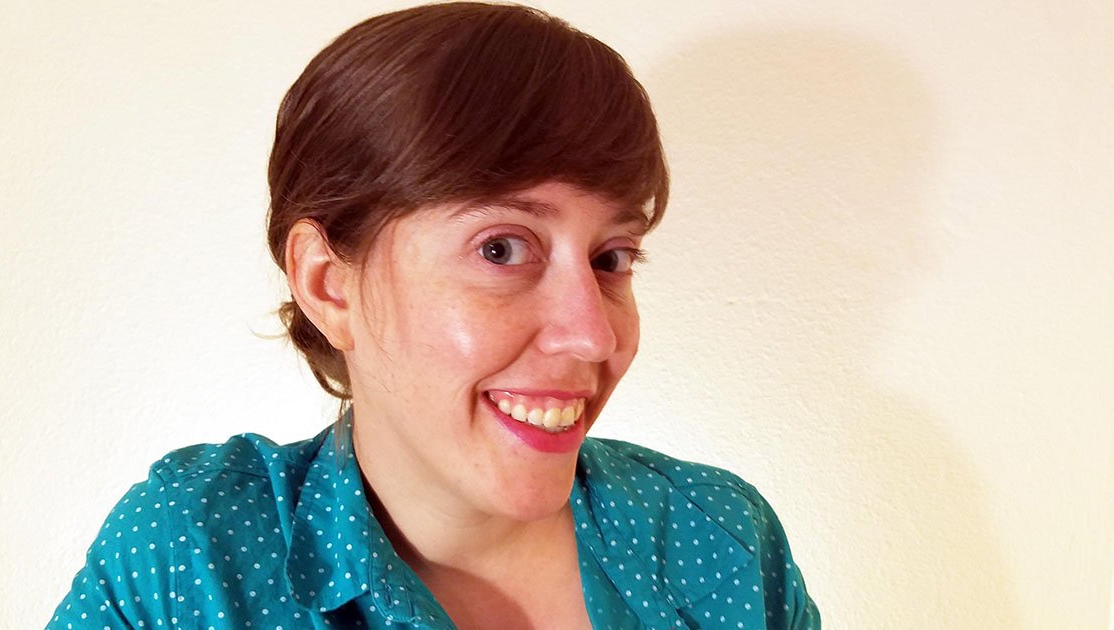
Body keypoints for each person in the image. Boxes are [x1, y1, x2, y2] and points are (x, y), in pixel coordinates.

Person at [47, 3, 819, 628]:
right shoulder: (195, 558)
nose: (593, 333)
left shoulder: (719, 538)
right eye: (501, 250)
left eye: (611, 258)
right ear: (329, 284)